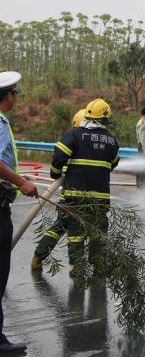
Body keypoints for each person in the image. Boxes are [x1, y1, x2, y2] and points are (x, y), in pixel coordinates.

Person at [44, 99, 119, 278]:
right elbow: (113, 164)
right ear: (105, 119)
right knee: (98, 232)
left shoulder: (74, 135)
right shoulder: (112, 141)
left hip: (74, 195)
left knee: (75, 231)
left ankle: (77, 266)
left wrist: (55, 174)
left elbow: (58, 157)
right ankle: (99, 267)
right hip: (100, 199)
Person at [0, 71, 38, 353]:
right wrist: (21, 181)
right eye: (16, 94)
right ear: (9, 96)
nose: (16, 98)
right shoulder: (0, 124)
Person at [31, 109, 86, 270]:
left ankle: (37, 257)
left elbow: (58, 163)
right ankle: (77, 267)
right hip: (77, 195)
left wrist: (55, 174)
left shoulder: (73, 140)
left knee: (59, 226)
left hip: (68, 194)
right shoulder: (86, 144)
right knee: (75, 231)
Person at [135, 107, 145, 187]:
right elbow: (141, 137)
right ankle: (142, 184)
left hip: (143, 146)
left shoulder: (143, 122)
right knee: (142, 165)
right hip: (143, 146)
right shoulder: (141, 123)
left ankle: (143, 183)